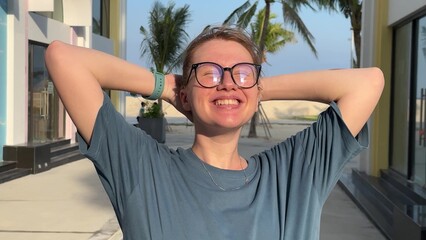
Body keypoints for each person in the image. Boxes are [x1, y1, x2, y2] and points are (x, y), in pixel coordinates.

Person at [45, 26, 384, 240]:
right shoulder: (143, 168)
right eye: (208, 73)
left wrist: (252, 90)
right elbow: (64, 59)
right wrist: (169, 88)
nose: (225, 82)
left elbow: (367, 83)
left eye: (242, 72)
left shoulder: (293, 175)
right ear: (184, 94)